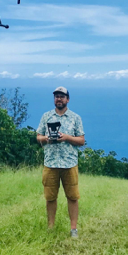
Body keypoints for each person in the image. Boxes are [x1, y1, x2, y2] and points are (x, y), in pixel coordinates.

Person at [36, 86, 85, 238]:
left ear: (67, 99)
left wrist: (67, 137)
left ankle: (73, 229)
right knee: (50, 197)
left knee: (72, 197)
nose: (59, 98)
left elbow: (81, 140)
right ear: (54, 99)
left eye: (62, 96)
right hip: (50, 163)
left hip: (69, 164)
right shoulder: (46, 116)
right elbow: (38, 136)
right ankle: (50, 227)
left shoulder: (75, 118)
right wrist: (46, 139)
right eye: (57, 96)